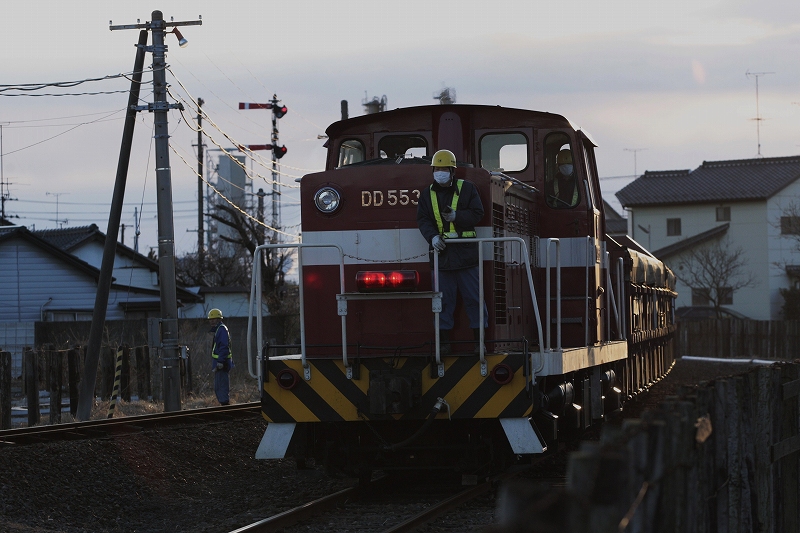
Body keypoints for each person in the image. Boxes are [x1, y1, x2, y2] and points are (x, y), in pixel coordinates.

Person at [417, 149, 488, 354]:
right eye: (437, 169)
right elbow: (423, 220)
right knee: (442, 301)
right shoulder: (426, 194)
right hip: (442, 257)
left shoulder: (467, 189)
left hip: (466, 256)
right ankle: (444, 344)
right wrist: (432, 237)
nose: (440, 172)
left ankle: (479, 342)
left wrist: (457, 216)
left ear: (452, 170)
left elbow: (478, 213)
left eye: (443, 169)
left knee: (475, 299)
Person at [208, 308, 233, 405]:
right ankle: (223, 405)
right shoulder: (220, 329)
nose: (211, 321)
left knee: (221, 385)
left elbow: (224, 346)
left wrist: (220, 361)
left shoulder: (221, 330)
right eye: (211, 319)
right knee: (219, 385)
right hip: (221, 362)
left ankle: (225, 406)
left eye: (214, 319)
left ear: (219, 319)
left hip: (222, 363)